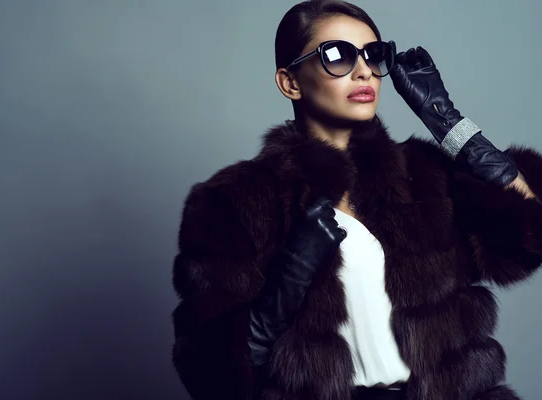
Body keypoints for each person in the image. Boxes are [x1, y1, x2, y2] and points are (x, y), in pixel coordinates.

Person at [170, 1, 542, 399]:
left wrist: (445, 119)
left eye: (373, 54)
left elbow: (526, 236)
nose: (363, 70)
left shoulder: (423, 174)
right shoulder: (236, 202)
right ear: (290, 82)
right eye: (337, 55)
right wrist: (285, 290)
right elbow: (210, 372)